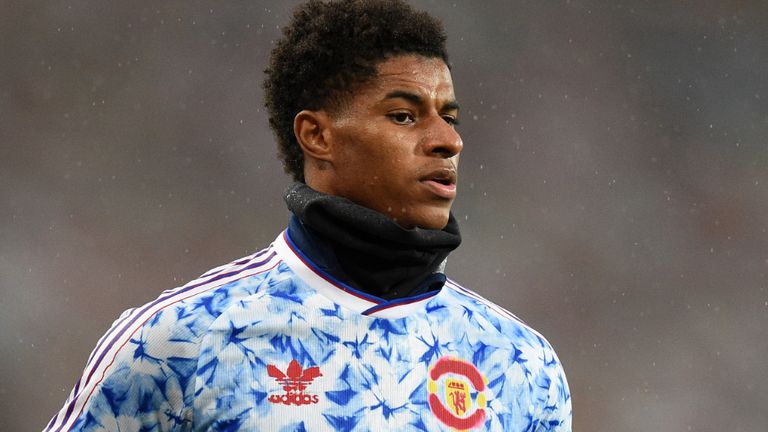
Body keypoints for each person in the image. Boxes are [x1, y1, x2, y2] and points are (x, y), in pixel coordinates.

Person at [44, 1, 571, 431]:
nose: (447, 140)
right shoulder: (179, 341)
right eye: (405, 116)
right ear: (317, 136)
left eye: (449, 117)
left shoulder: (521, 364)